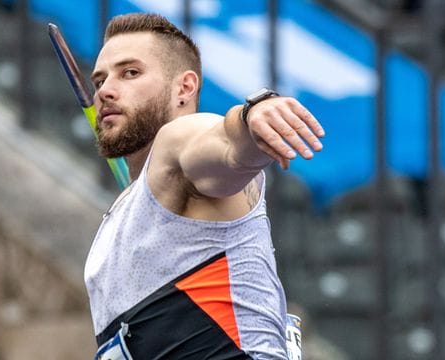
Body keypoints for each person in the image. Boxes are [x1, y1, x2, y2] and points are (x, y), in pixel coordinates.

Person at [83, 12, 324, 360]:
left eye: (130, 73)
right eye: (100, 80)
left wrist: (250, 118)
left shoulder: (178, 143)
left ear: (185, 87)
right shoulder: (125, 209)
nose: (105, 91)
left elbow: (226, 146)